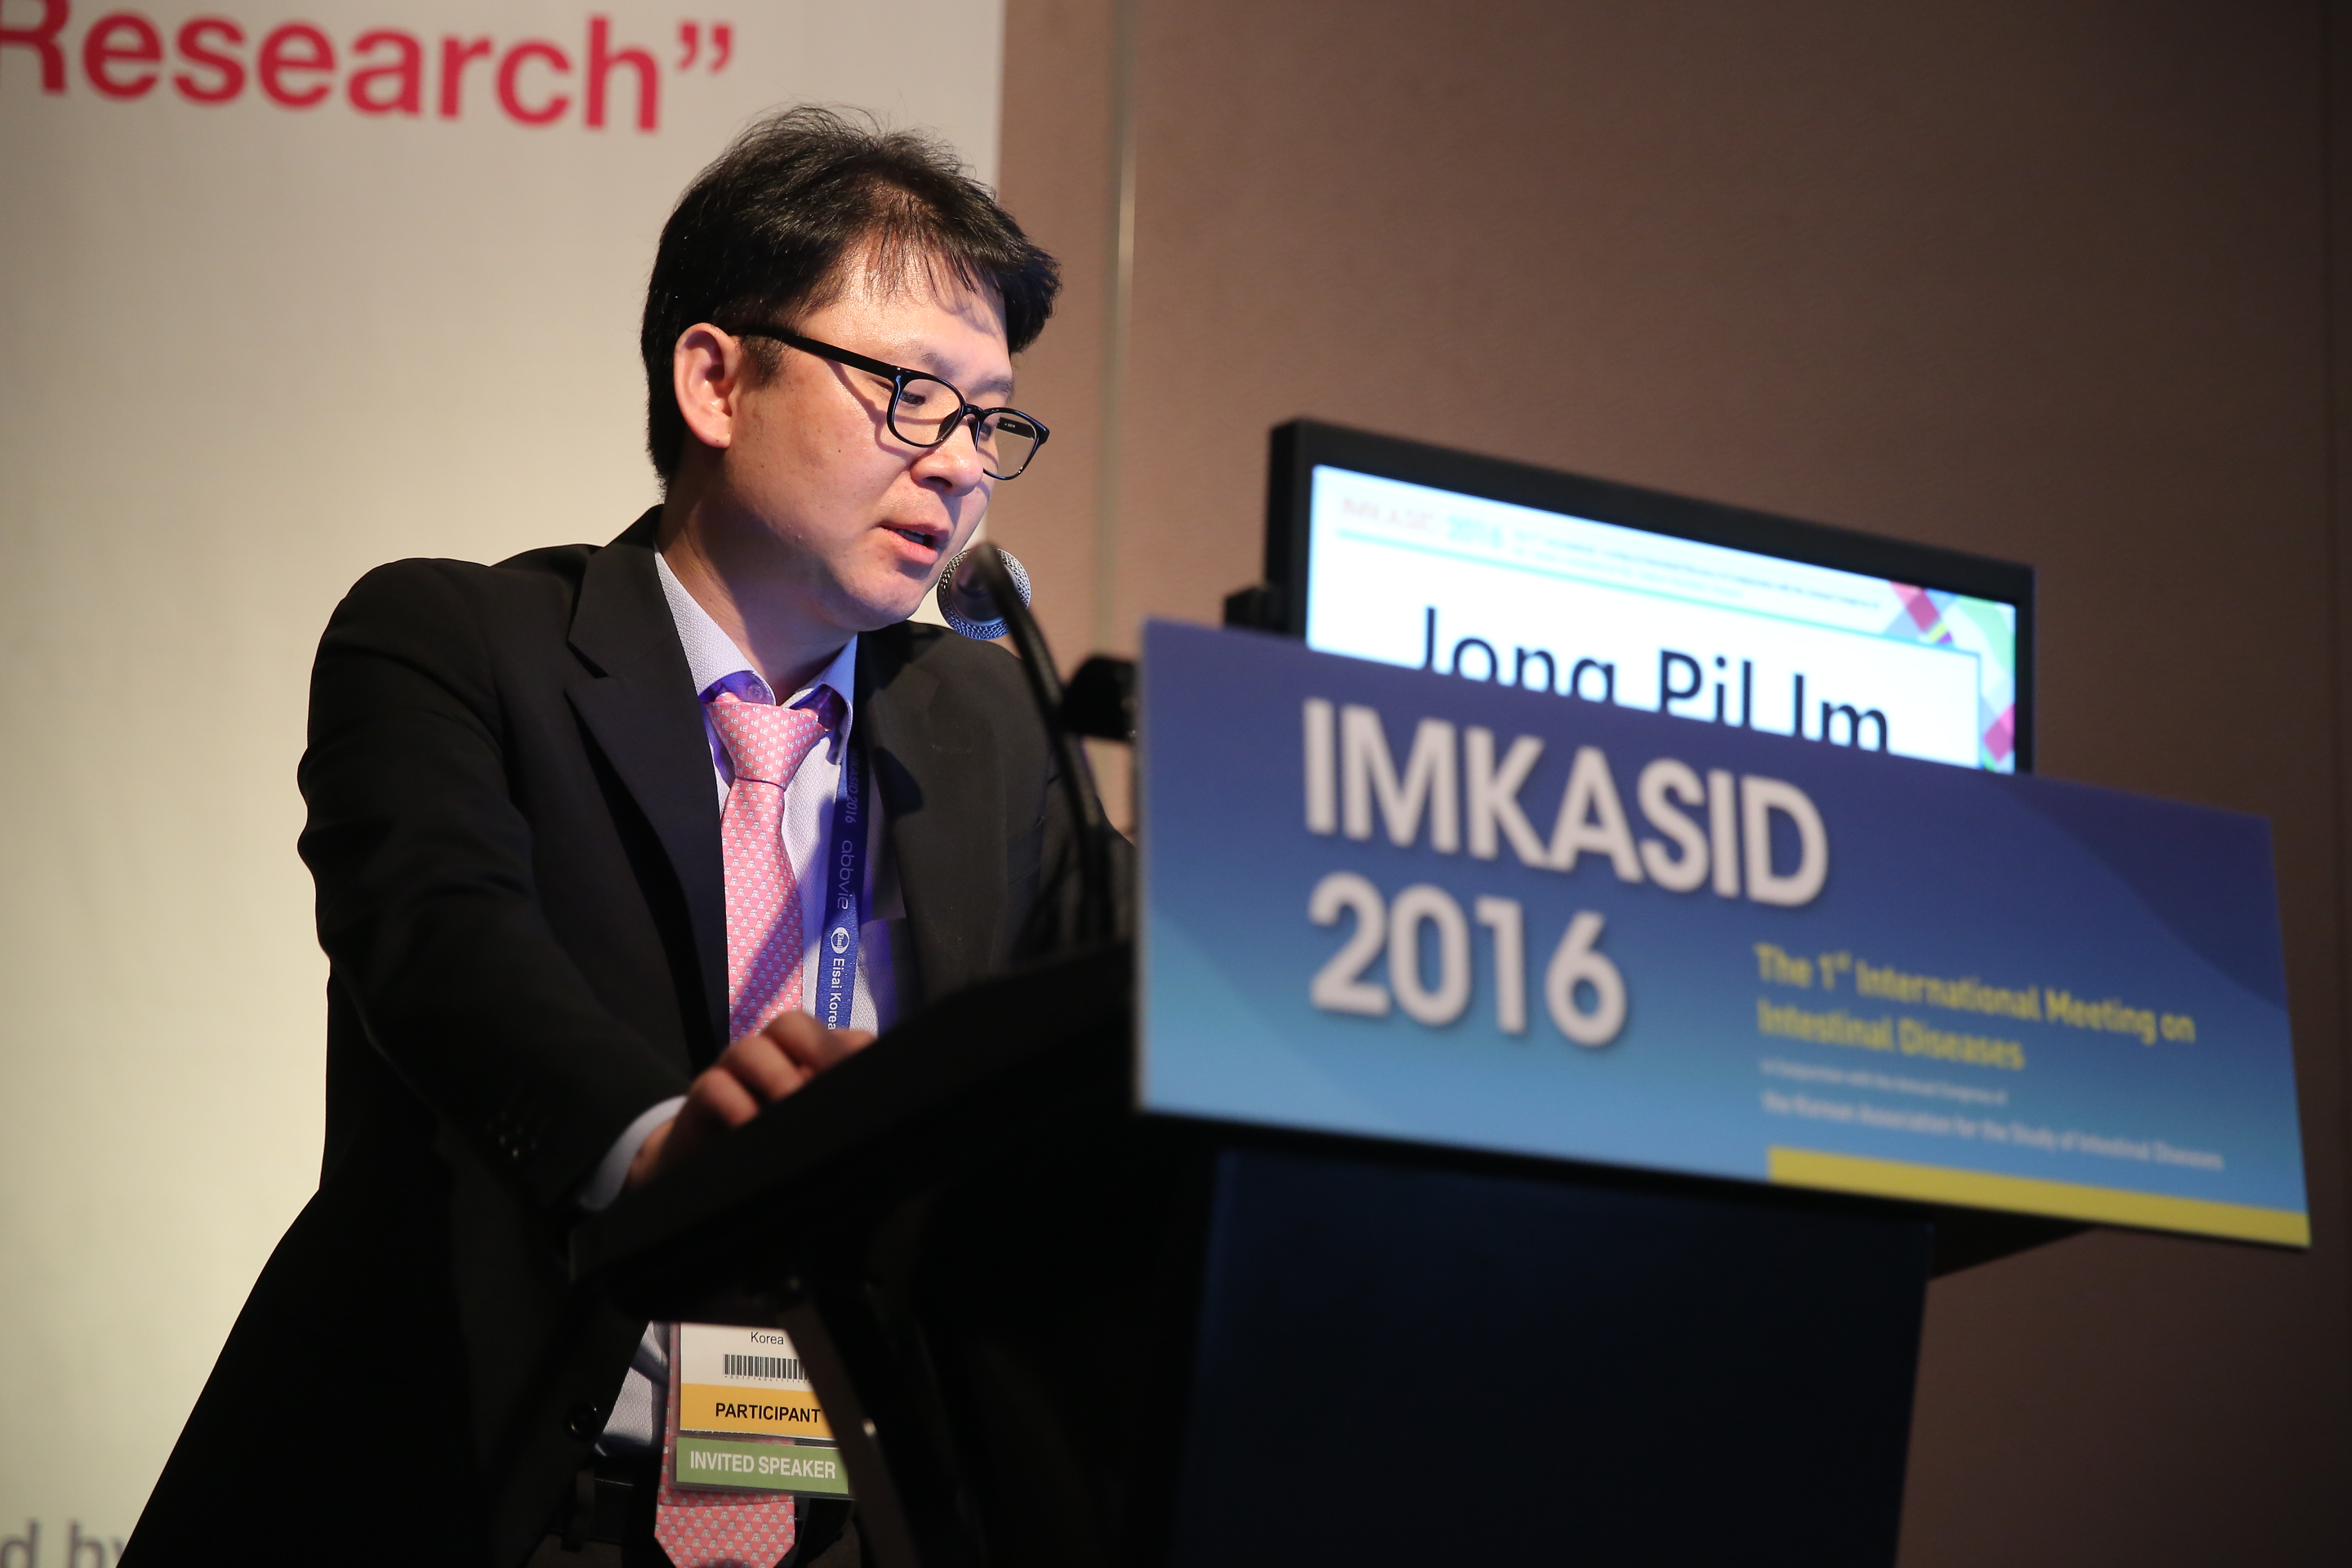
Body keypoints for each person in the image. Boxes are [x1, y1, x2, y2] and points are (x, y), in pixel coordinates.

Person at [124, 106, 1085, 1568]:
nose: (958, 464)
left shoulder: (998, 727)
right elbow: (446, 949)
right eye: (911, 395)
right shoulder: (452, 642)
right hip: (493, 1498)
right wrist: (660, 1161)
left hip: (858, 1526)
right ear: (716, 379)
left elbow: (1109, 1027)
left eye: (987, 419)